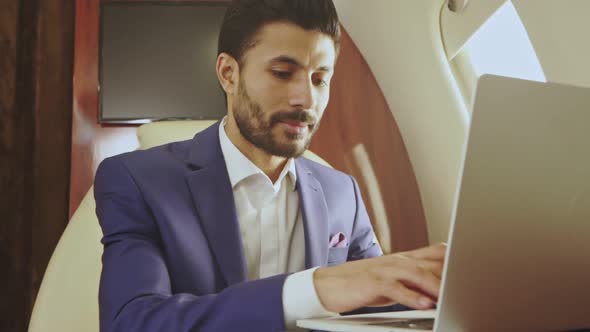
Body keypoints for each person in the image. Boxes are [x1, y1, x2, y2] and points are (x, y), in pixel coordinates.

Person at [94, 0, 447, 331]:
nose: (306, 99)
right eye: (282, 73)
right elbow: (132, 321)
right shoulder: (137, 181)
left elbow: (384, 307)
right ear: (228, 74)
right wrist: (315, 289)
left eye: (320, 79)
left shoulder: (343, 193)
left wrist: (441, 293)